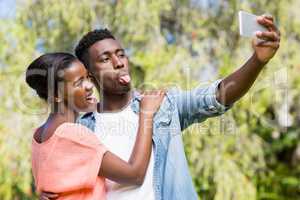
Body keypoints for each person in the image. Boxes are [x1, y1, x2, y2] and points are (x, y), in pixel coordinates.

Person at [42, 14, 280, 200]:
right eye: (105, 59)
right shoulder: (81, 129)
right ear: (90, 75)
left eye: (120, 54)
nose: (118, 63)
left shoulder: (165, 105)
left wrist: (257, 60)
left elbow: (219, 96)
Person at [26, 52, 165, 200]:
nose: (89, 86)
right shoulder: (73, 134)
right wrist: (146, 114)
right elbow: (135, 175)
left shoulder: (39, 136)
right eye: (79, 83)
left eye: (87, 77)